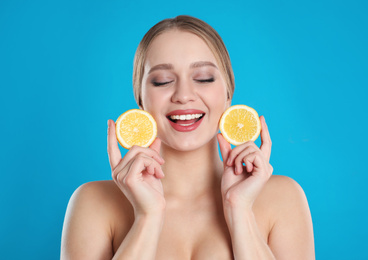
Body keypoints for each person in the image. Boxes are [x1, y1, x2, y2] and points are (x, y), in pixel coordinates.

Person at [61, 15, 315, 259]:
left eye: (203, 78)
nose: (183, 95)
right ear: (140, 100)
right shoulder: (93, 203)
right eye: (162, 81)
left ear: (228, 94)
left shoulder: (284, 198)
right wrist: (147, 216)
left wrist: (240, 211)